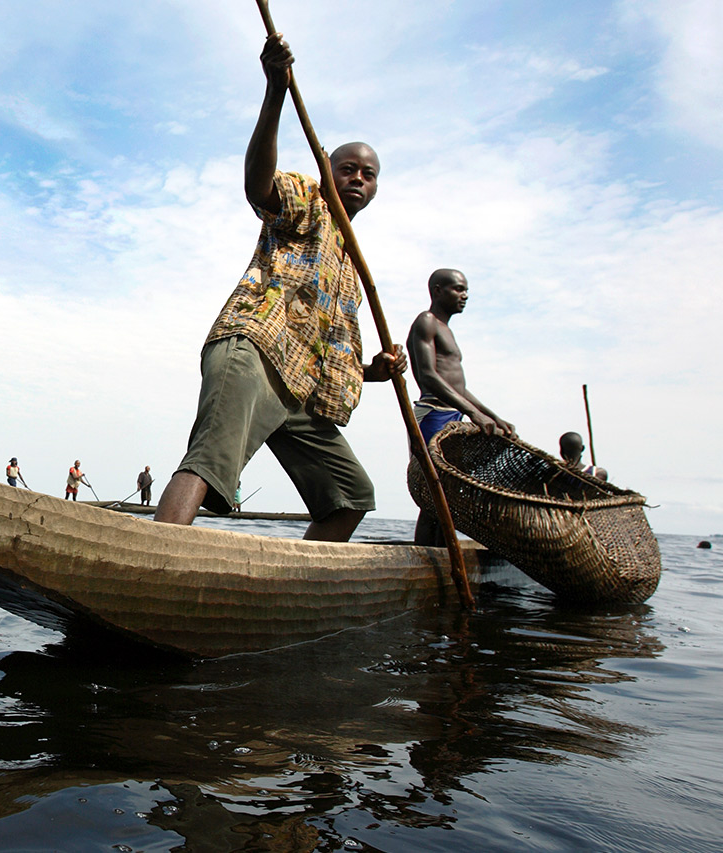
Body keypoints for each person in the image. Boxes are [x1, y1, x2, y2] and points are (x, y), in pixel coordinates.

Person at [153, 32, 406, 541]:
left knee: (351, 493)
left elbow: (321, 355)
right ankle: (153, 560)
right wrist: (275, 93)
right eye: (347, 169)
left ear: (376, 187)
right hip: (254, 351)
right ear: (327, 172)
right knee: (210, 460)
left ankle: (297, 585)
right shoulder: (309, 201)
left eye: (369, 174)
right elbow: (258, 185)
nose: (357, 178)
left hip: (299, 393)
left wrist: (373, 373)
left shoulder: (349, 265)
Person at [406, 269, 515, 544]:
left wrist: (492, 416)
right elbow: (429, 376)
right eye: (458, 289)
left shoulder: (447, 330)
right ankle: (425, 558)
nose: (464, 296)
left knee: (450, 492)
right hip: (433, 414)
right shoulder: (426, 321)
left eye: (466, 290)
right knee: (434, 489)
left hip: (451, 412)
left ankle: (442, 555)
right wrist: (472, 413)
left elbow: (459, 389)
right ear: (437, 290)